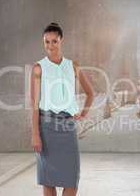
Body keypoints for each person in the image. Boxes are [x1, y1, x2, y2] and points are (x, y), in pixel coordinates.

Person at [30, 22, 94, 196]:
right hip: (46, 127)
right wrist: (35, 134)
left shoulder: (73, 66)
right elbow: (34, 105)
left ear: (61, 41)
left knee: (72, 180)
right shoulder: (38, 68)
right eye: (46, 42)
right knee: (48, 181)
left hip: (68, 127)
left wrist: (83, 113)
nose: (50, 46)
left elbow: (90, 93)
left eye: (54, 41)